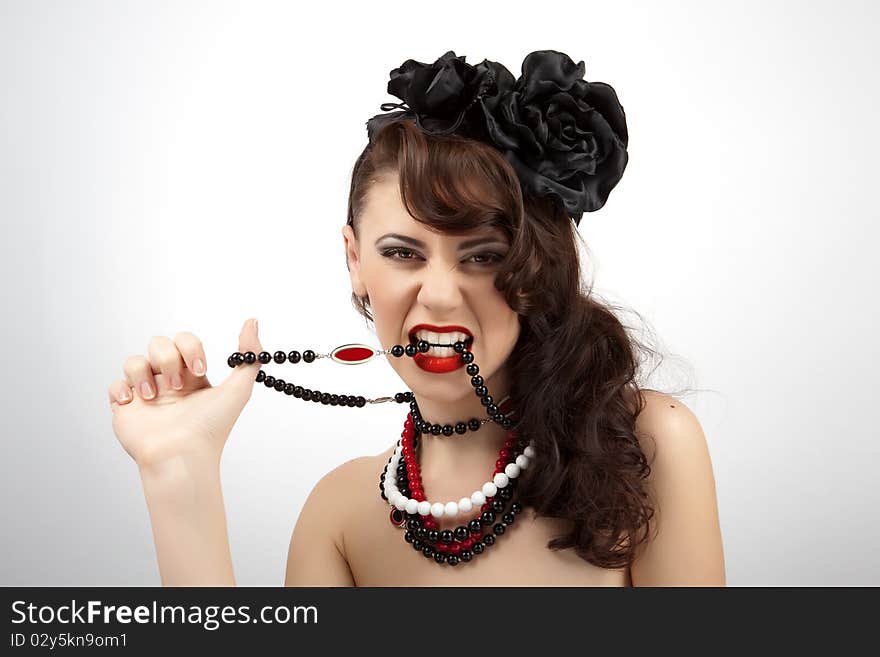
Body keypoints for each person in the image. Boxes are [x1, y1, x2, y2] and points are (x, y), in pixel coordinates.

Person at [107, 50, 725, 586]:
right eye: (402, 253)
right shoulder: (339, 518)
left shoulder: (646, 445)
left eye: (482, 256)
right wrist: (179, 472)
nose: (439, 296)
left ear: (538, 266)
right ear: (354, 260)